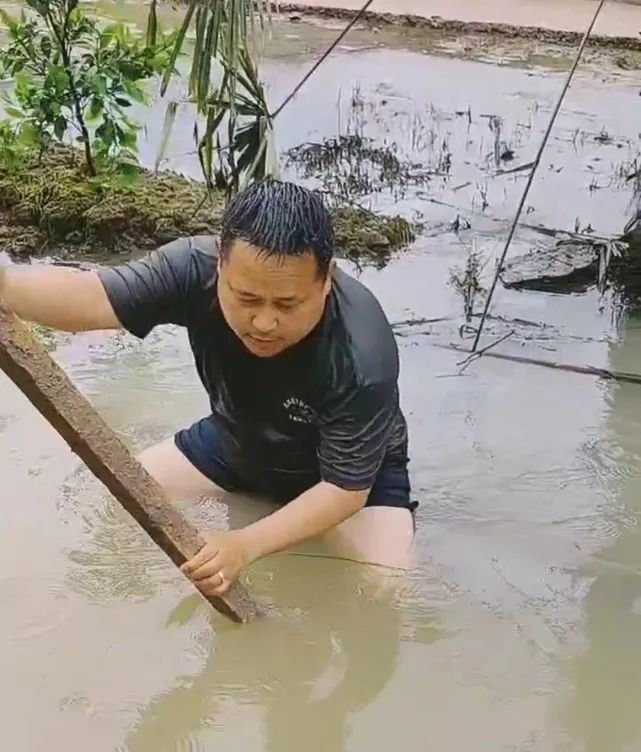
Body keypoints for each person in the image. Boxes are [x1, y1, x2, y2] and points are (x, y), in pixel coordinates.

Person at [0, 180, 416, 596]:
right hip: (240, 442)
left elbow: (346, 490)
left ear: (328, 279)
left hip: (350, 477)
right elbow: (93, 297)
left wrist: (243, 545)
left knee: (384, 589)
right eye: (247, 298)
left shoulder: (362, 350)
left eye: (287, 304)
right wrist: (6, 286)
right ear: (220, 262)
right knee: (121, 500)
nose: (264, 323)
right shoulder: (190, 268)